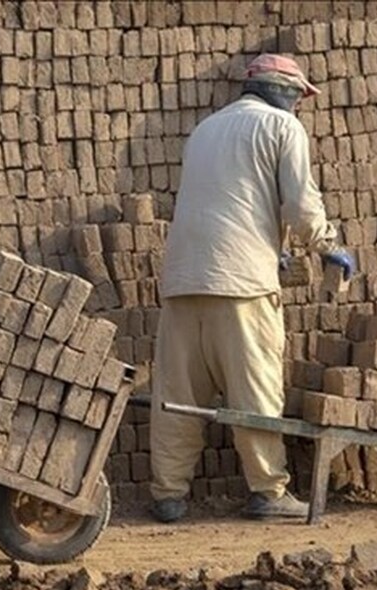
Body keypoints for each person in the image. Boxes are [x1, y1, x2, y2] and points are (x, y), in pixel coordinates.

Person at [149, 54, 356, 522]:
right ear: (285, 91)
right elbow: (301, 204)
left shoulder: (204, 130)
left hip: (182, 279)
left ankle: (168, 494)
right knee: (255, 391)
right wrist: (328, 246)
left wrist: (274, 247)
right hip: (242, 284)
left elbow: (229, 200)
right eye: (300, 98)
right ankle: (267, 491)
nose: (300, 107)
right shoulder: (283, 129)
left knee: (179, 394)